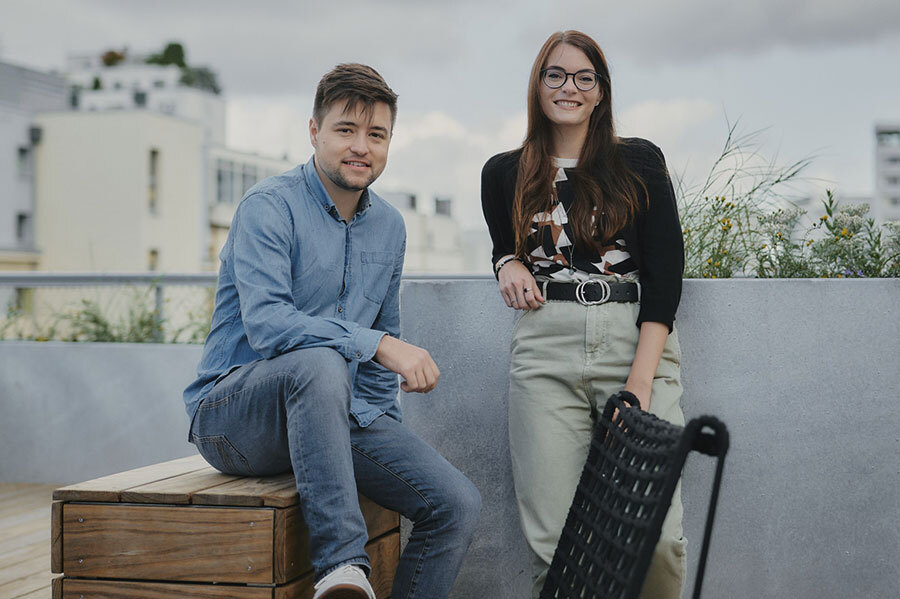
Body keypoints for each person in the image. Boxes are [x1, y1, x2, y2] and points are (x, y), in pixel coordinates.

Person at [184, 63, 481, 599]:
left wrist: (385, 430)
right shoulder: (267, 208)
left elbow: (377, 347)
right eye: (346, 129)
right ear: (314, 131)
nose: (361, 146)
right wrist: (380, 346)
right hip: (232, 420)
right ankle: (342, 570)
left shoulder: (389, 225)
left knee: (455, 503)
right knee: (318, 360)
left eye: (377, 134)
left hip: (333, 416)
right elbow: (271, 327)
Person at [481, 31, 686, 598]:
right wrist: (505, 264)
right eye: (555, 74)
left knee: (660, 539)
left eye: (583, 77)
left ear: (601, 92)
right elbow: (505, 245)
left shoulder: (639, 161)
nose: (568, 87)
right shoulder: (503, 172)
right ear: (537, 84)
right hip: (546, 347)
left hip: (633, 340)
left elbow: (666, 275)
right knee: (558, 546)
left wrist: (640, 381)